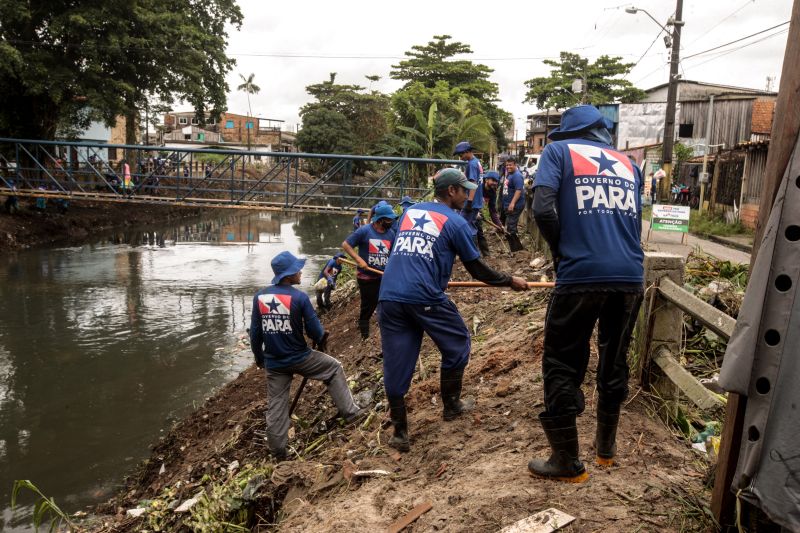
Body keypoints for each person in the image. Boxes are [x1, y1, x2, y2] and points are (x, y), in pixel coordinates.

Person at [530, 104, 644, 483]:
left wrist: (561, 252)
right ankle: (606, 451)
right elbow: (632, 223)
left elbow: (543, 210)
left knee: (562, 361)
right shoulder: (630, 165)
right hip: (630, 276)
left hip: (581, 275)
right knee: (614, 359)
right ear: (602, 131)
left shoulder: (558, 152)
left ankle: (566, 462)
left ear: (567, 132)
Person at [378, 168, 529, 452]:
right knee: (458, 343)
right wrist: (509, 281)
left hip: (389, 296)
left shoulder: (408, 215)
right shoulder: (456, 222)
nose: (468, 194)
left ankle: (400, 432)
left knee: (396, 362)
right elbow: (476, 268)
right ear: (451, 192)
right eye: (464, 190)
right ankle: (451, 405)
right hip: (424, 296)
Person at [250, 251, 363, 460]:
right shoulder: (300, 298)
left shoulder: (260, 297)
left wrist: (260, 359)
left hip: (274, 363)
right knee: (333, 368)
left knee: (276, 403)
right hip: (301, 358)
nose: (300, 271)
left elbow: (255, 334)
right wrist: (321, 335)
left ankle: (278, 450)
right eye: (297, 269)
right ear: (288, 275)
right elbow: (315, 332)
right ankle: (351, 414)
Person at [342, 203, 397, 340]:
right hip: (367, 278)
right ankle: (365, 337)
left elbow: (393, 254)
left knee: (386, 303)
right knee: (368, 307)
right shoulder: (364, 231)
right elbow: (346, 245)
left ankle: (385, 330)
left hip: (384, 277)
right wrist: (358, 260)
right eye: (389, 220)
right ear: (380, 220)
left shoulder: (391, 234)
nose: (392, 222)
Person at [453, 141, 489, 256]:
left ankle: (471, 253)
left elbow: (473, 183)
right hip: (476, 200)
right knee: (471, 225)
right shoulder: (476, 162)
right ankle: (473, 252)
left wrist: (469, 202)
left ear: (467, 152)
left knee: (466, 226)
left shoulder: (472, 164)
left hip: (472, 201)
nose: (460, 157)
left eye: (461, 154)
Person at [501, 157, 525, 252]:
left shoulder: (517, 176)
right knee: (511, 226)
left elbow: (518, 191)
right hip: (508, 205)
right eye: (507, 165)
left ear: (515, 164)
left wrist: (512, 203)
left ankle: (516, 250)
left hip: (515, 206)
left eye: (510, 165)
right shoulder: (509, 174)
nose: (508, 167)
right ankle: (516, 248)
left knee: (511, 227)